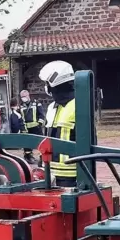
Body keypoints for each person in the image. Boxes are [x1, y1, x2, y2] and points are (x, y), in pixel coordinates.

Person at [40, 60, 77, 188]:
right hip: (51, 173)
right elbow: (47, 138)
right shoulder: (52, 107)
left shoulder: (79, 105)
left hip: (73, 176)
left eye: (46, 83)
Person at [19, 89, 45, 164]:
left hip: (36, 127)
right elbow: (20, 118)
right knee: (27, 144)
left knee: (41, 142)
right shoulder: (21, 106)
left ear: (28, 96)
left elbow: (41, 115)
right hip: (26, 129)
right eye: (21, 97)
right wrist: (22, 128)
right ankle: (28, 156)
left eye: (24, 96)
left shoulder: (36, 103)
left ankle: (42, 157)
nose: (23, 98)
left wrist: (40, 124)